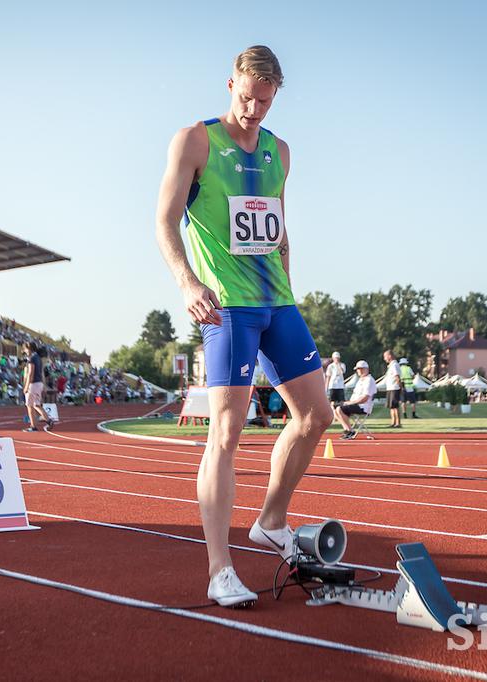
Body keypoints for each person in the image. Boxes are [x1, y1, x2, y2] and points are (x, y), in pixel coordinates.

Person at [155, 45, 332, 608]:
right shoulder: (196, 141)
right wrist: (187, 283)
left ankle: (271, 520)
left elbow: (279, 228)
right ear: (229, 83)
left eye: (266, 99)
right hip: (225, 306)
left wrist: (290, 283)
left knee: (316, 415)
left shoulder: (281, 151)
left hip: (277, 303)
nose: (254, 109)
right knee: (226, 432)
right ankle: (219, 569)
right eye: (247, 96)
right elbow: (163, 221)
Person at [334, 360, 376, 439]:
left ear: (365, 369)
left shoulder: (369, 380)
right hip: (356, 404)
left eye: (360, 369)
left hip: (363, 406)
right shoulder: (361, 380)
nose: (358, 371)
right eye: (357, 369)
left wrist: (350, 403)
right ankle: (347, 429)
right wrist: (348, 402)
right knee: (335, 408)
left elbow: (365, 398)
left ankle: (350, 431)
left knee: (339, 409)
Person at [21, 341, 55, 432]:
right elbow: (41, 373)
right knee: (37, 405)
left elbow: (30, 373)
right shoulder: (38, 358)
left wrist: (26, 386)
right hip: (38, 383)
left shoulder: (31, 359)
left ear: (29, 349)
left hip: (33, 384)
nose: (24, 351)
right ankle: (48, 420)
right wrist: (43, 385)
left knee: (29, 405)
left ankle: (33, 426)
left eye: (25, 349)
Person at [383, 349, 402, 428]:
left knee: (395, 406)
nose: (385, 358)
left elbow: (397, 377)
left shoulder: (394, 365)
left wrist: (400, 387)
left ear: (390, 356)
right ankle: (393, 422)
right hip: (390, 388)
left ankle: (398, 423)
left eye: (385, 356)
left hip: (394, 388)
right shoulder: (391, 365)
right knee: (391, 406)